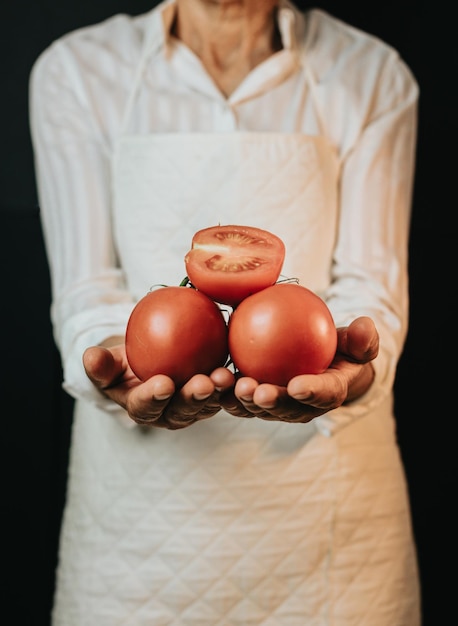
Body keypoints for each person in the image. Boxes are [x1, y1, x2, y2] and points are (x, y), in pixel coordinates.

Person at [29, 0, 421, 624]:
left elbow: (373, 287)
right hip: (138, 534)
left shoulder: (370, 73)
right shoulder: (79, 71)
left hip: (330, 527)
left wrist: (355, 367)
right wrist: (113, 361)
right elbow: (85, 290)